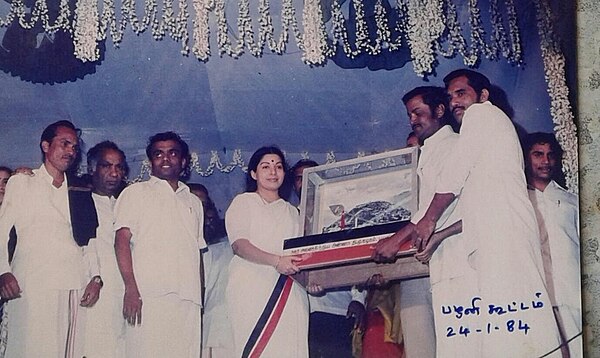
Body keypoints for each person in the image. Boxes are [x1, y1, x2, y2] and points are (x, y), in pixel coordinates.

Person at [409, 69, 561, 357]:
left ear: (483, 95)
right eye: (450, 96)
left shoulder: (481, 115)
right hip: (500, 233)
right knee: (509, 325)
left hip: (503, 233)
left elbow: (454, 174)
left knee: (517, 320)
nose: (454, 102)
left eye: (460, 93)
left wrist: (429, 220)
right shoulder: (489, 126)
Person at [374, 86, 469, 357]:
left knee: (456, 348)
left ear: (439, 111)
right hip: (421, 264)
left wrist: (396, 239)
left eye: (418, 112)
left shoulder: (454, 145)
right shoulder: (428, 152)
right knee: (421, 347)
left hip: (453, 259)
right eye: (408, 115)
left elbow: (434, 207)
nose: (412, 120)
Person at [0, 120, 102, 357]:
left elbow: (90, 242)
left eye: (75, 147)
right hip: (31, 285)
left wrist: (95, 278)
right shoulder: (23, 182)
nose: (70, 151)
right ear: (45, 146)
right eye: (64, 143)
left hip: (73, 283)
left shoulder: (79, 190)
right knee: (30, 349)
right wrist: (3, 271)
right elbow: (2, 230)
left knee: (67, 351)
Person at [113, 131, 205, 357]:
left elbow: (197, 252)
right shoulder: (135, 193)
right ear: (150, 161)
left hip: (188, 299)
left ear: (183, 161)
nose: (165, 159)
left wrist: (199, 297)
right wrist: (131, 288)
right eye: (158, 154)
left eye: (172, 153)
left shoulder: (193, 201)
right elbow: (121, 241)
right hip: (149, 296)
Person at [225, 146, 309, 357]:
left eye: (278, 167)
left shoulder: (294, 213)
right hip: (252, 288)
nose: (273, 172)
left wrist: (312, 279)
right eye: (266, 166)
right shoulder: (243, 202)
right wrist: (276, 261)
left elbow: (304, 255)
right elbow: (239, 245)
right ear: (254, 173)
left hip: (290, 293)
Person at [289, 159, 367, 358]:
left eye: (310, 176)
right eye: (299, 178)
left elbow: (356, 260)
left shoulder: (342, 218)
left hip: (337, 310)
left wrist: (358, 299)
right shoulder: (288, 216)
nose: (304, 182)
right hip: (298, 312)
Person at [524, 132, 582, 357]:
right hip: (537, 297)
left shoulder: (572, 201)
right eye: (538, 154)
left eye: (550, 155)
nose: (545, 161)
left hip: (571, 294)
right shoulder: (518, 200)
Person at [83, 141, 129, 357]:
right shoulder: (81, 202)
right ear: (92, 168)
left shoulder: (126, 205)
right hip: (94, 290)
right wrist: (95, 278)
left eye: (119, 167)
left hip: (124, 292)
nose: (114, 173)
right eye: (106, 166)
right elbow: (85, 246)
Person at [189, 183, 235, 358]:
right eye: (195, 206)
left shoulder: (230, 246)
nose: (204, 213)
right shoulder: (175, 252)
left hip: (225, 332)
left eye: (206, 205)